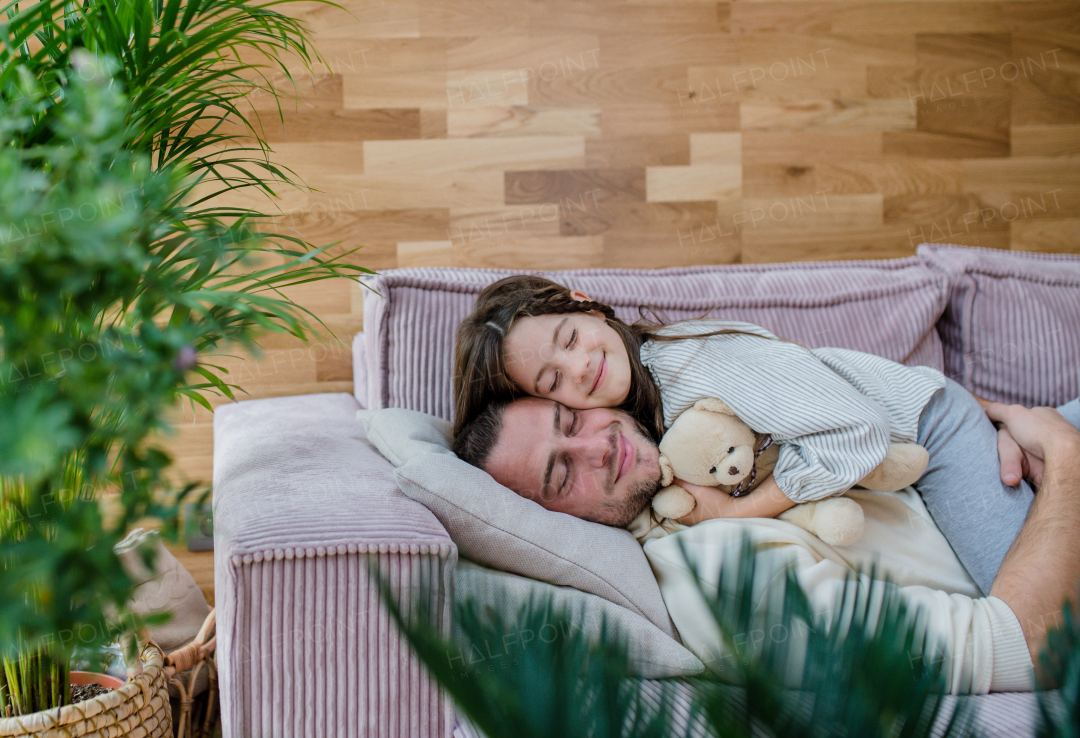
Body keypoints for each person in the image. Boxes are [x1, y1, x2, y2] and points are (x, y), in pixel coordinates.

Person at [453, 274, 1034, 596]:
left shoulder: (700, 369)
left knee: (1036, 620)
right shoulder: (641, 422)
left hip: (934, 430)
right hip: (912, 436)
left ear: (586, 305)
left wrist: (742, 512)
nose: (580, 368)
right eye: (555, 379)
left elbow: (857, 433)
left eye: (570, 338)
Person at [454, 394, 1080, 692]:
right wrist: (1064, 457)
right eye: (562, 473)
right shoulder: (718, 582)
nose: (599, 446)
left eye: (572, 420)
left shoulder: (692, 443)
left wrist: (998, 435)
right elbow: (1026, 646)